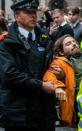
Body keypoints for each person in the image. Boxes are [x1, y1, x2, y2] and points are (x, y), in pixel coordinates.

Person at [0, 0, 56, 131]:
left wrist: (56, 72)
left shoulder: (44, 39)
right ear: (17, 16)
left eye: (34, 12)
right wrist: (41, 85)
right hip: (19, 112)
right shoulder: (6, 43)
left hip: (43, 110)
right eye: (28, 13)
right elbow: (10, 75)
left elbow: (49, 65)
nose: (33, 16)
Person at [43, 35, 78, 127]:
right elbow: (49, 75)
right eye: (68, 44)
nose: (73, 44)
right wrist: (57, 87)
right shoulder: (59, 62)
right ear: (61, 51)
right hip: (74, 107)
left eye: (74, 41)